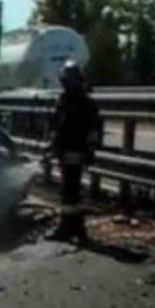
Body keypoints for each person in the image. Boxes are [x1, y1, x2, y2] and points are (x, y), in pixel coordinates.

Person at [47, 60, 102, 244]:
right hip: (70, 149)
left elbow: (91, 129)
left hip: (73, 149)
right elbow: (56, 126)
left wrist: (88, 149)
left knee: (69, 189)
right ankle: (75, 227)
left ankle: (70, 227)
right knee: (71, 188)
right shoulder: (76, 101)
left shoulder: (76, 102)